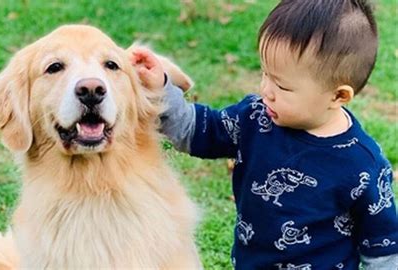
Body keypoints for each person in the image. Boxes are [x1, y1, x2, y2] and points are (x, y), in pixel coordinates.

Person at [131, 0, 398, 269]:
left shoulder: (362, 165)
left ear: (338, 95)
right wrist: (162, 89)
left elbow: (383, 250)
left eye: (281, 85)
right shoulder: (255, 118)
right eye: (265, 74)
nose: (265, 90)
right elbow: (194, 129)